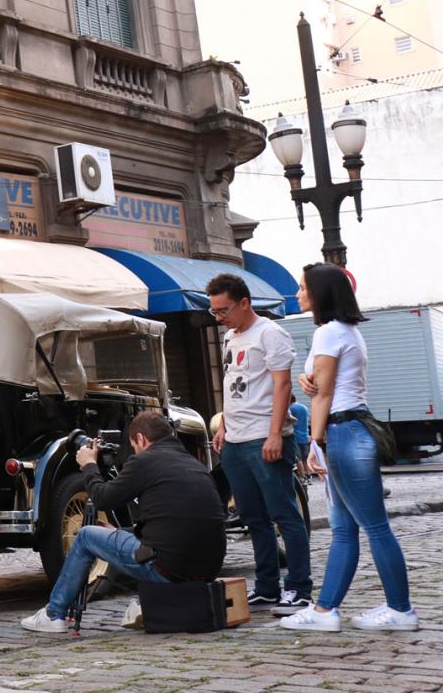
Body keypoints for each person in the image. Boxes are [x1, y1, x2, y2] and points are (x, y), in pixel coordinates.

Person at [282, 263, 418, 632]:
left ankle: (401, 610)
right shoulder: (346, 332)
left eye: (302, 287)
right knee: (345, 528)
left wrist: (313, 441)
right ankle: (326, 611)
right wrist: (305, 378)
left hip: (343, 432)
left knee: (373, 527)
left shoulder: (329, 333)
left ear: (320, 292)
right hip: (350, 429)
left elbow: (325, 393)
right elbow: (323, 384)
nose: (298, 293)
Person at [21, 410, 226, 633]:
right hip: (209, 569)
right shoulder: (193, 464)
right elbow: (168, 521)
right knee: (112, 536)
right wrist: (122, 532)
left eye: (134, 445)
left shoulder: (144, 461)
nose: (135, 451)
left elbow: (102, 499)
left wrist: (89, 465)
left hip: (169, 568)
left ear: (141, 439)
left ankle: (54, 614)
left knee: (86, 535)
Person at [206, 273, 311, 613]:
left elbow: (282, 386)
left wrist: (274, 433)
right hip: (235, 440)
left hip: (264, 437)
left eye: (223, 310)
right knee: (253, 518)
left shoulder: (270, 333)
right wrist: (223, 423)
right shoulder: (228, 339)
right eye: (214, 312)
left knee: (284, 513)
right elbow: (232, 383)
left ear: (244, 302)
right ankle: (267, 586)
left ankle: (299, 587)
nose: (219, 317)